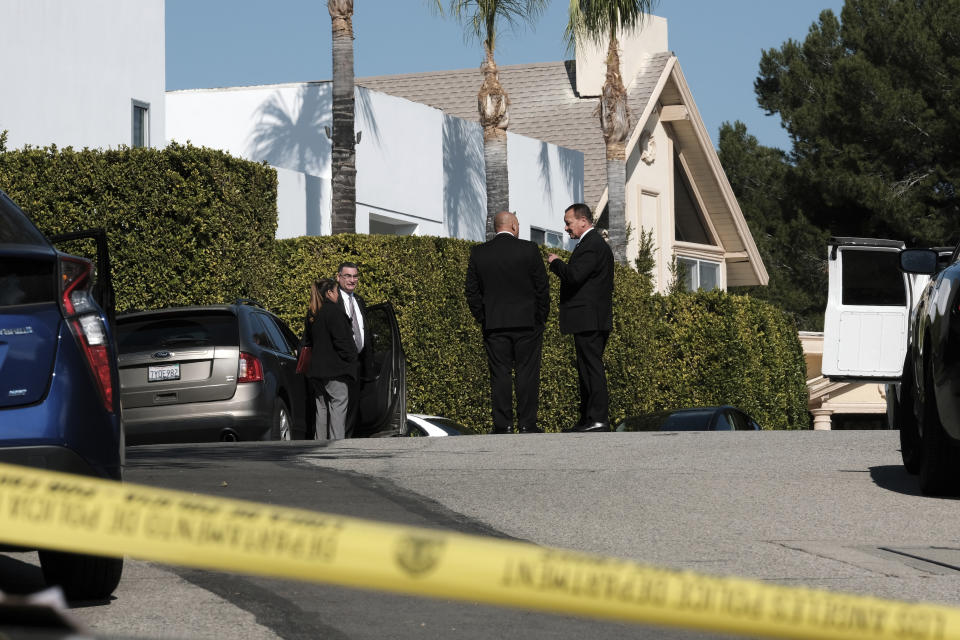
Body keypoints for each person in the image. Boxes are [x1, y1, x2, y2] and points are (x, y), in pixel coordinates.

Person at [465, 211, 550, 434]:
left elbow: (472, 293)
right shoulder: (529, 250)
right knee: (527, 373)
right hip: (527, 324)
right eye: (518, 224)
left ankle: (503, 425)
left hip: (494, 325)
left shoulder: (479, 253)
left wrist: (484, 318)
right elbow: (542, 288)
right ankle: (526, 423)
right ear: (513, 226)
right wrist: (540, 319)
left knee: (499, 374)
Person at [547, 203, 615, 432]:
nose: (566, 228)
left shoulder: (591, 245)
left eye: (569, 222)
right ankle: (589, 419)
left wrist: (556, 263)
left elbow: (574, 276)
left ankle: (597, 419)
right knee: (586, 369)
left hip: (590, 320)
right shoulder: (591, 244)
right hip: (589, 319)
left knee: (591, 368)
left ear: (583, 221)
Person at [303, 278, 358, 440]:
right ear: (329, 293)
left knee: (322, 408)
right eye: (336, 292)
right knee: (338, 404)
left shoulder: (313, 313)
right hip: (335, 370)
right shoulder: (334, 312)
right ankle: (337, 445)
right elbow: (343, 342)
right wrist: (352, 359)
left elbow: (308, 342)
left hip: (316, 371)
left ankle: (319, 445)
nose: (338, 296)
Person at [335, 261, 374, 437]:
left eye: (355, 276)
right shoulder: (333, 302)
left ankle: (348, 441)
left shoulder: (359, 301)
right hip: (340, 364)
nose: (352, 280)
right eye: (348, 276)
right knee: (340, 407)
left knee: (353, 409)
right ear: (339, 277)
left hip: (358, 364)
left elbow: (365, 331)